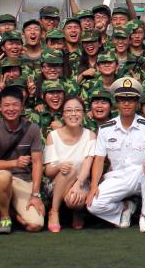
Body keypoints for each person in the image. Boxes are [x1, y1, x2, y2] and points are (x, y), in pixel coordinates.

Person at [87, 79, 145, 232]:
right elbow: (99, 159)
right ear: (117, 102)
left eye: (131, 100)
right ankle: (125, 208)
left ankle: (144, 216)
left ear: (137, 103)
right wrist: (94, 185)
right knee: (93, 205)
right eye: (122, 100)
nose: (126, 104)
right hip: (117, 177)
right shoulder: (106, 128)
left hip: (140, 174)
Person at [0, 86, 45, 233]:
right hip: (0, 179)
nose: (11, 109)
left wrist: (35, 195)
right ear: (0, 108)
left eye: (15, 105)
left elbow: (37, 163)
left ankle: (12, 213)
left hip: (23, 181)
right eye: (6, 105)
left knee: (35, 225)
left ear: (22, 107)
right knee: (3, 176)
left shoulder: (33, 129)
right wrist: (15, 163)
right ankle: (5, 218)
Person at [44, 96, 95, 232]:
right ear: (63, 114)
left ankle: (77, 211)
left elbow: (87, 167)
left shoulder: (90, 136)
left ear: (83, 114)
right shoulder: (52, 136)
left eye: (77, 110)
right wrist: (59, 166)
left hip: (81, 183)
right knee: (69, 169)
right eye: (69, 110)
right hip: (56, 184)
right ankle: (54, 211)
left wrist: (78, 185)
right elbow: (48, 172)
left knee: (74, 199)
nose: (73, 114)